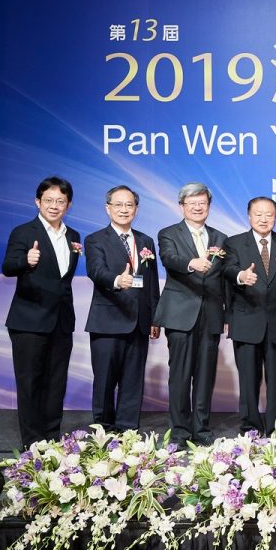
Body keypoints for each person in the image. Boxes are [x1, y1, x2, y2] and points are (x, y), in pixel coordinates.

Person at [2, 176, 81, 448]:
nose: (54, 206)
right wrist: (25, 260)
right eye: (48, 200)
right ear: (38, 202)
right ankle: (33, 443)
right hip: (29, 321)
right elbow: (7, 267)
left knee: (56, 382)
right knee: (30, 383)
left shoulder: (73, 236)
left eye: (60, 201)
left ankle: (51, 438)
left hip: (61, 321)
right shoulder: (23, 232)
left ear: (68, 205)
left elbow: (63, 279)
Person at [153, 182, 227, 448]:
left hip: (211, 314)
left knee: (205, 376)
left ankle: (201, 428)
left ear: (208, 206)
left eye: (202, 203)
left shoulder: (220, 238)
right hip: (180, 314)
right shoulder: (168, 233)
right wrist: (190, 263)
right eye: (192, 203)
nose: (197, 207)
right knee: (180, 376)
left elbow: (224, 278)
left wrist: (227, 315)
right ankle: (180, 430)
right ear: (182, 206)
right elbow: (168, 259)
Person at [84, 185, 161, 433]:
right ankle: (103, 429)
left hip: (139, 321)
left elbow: (151, 282)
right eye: (118, 205)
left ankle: (128, 431)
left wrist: (155, 317)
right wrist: (118, 280)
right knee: (105, 380)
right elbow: (96, 271)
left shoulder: (146, 241)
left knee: (133, 381)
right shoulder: (95, 239)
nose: (124, 209)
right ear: (108, 208)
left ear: (136, 209)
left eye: (129, 205)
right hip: (108, 320)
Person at [224, 197, 276, 437]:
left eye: (269, 214)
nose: (264, 219)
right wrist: (241, 276)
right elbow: (227, 270)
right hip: (246, 321)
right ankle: (250, 428)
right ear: (249, 216)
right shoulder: (234, 243)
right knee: (248, 380)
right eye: (258, 214)